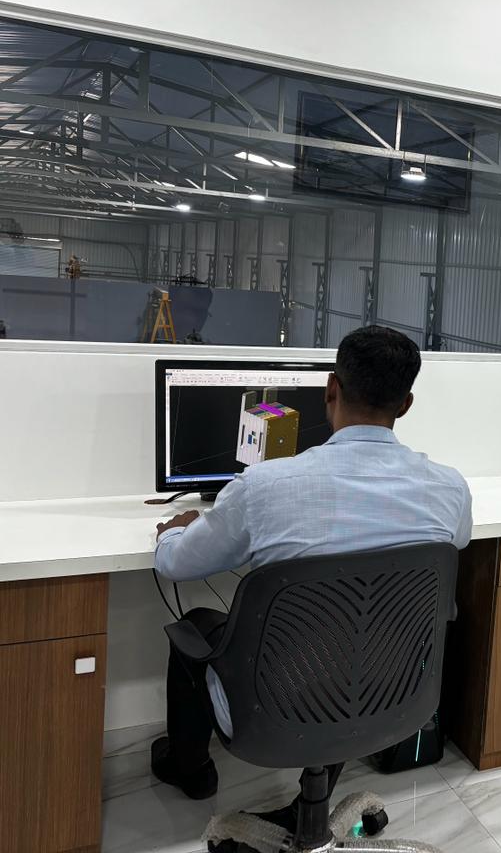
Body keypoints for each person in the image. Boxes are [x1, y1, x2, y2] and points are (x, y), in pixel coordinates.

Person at [149, 325, 472, 810]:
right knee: (351, 636)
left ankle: (190, 770)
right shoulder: (449, 489)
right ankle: (313, 802)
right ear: (405, 405)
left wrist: (173, 532)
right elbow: (457, 543)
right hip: (394, 695)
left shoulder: (264, 486)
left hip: (278, 706)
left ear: (331, 388)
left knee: (195, 625)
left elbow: (176, 565)